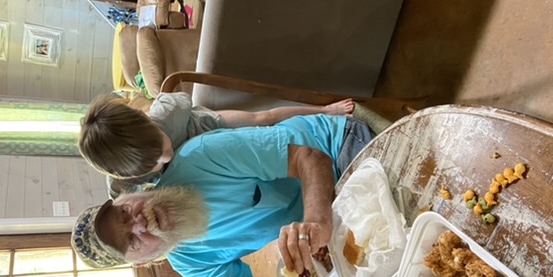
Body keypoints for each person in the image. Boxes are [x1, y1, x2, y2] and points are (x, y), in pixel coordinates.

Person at [71, 114, 376, 277]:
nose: (139, 223)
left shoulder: (199, 156)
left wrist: (317, 221)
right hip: (328, 222)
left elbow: (309, 158)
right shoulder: (189, 263)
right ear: (143, 261)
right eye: (132, 241)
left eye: (125, 213)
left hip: (339, 151)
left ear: (128, 196)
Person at [78, 92, 354, 198]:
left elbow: (178, 99)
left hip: (208, 129)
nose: (165, 157)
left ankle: (325, 110)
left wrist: (325, 111)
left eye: (160, 143)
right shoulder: (121, 184)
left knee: (263, 119)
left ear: (147, 118)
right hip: (197, 173)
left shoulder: (169, 111)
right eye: (153, 163)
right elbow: (119, 204)